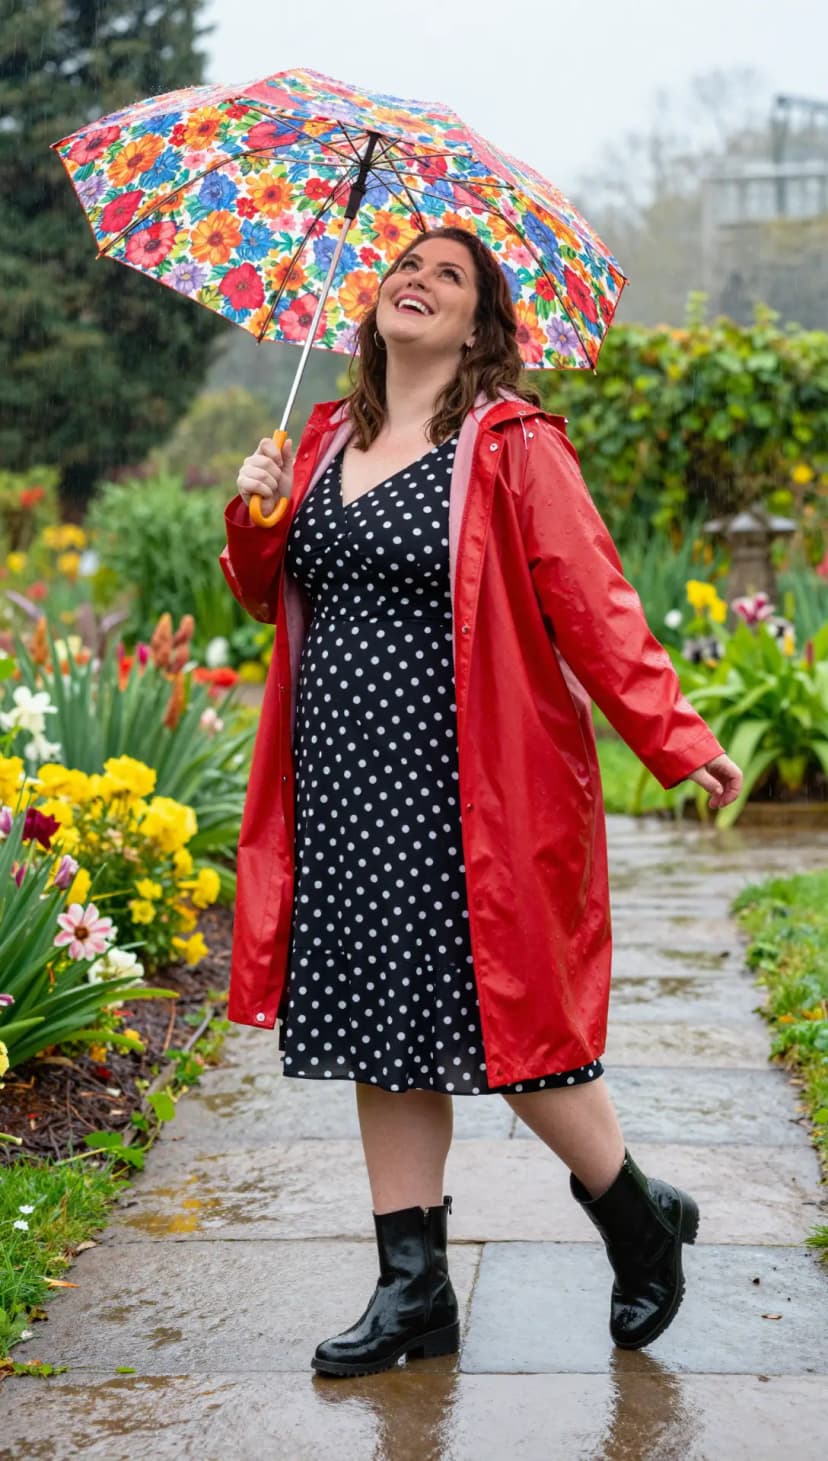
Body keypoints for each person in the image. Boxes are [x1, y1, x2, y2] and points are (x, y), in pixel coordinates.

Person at [220, 226, 743, 1379]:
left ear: (480, 323)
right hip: (344, 789)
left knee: (518, 1036)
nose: (418, 279)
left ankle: (635, 1220)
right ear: (376, 302)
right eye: (406, 265)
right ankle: (414, 1295)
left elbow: (594, 602)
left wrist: (675, 736)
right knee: (378, 1028)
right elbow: (269, 594)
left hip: (469, 793)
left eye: (449, 276)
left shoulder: (511, 444)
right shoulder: (318, 437)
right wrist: (254, 512)